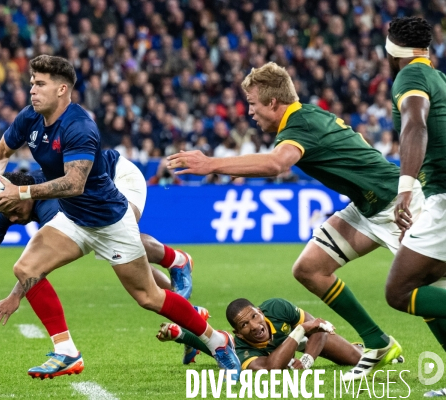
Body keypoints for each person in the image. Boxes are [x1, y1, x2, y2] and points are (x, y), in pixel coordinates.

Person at [0, 55, 241, 379]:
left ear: (62, 89)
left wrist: (18, 192)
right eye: (32, 82)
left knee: (149, 297)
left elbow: (73, 183)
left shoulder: (79, 126)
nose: (32, 89)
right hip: (73, 218)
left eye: (40, 83)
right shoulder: (30, 118)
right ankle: (66, 352)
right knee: (26, 268)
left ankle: (218, 341)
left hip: (108, 220)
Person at [167, 61, 425, 380]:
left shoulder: (299, 124)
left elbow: (277, 164)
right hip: (368, 205)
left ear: (273, 103)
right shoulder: (304, 118)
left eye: (252, 104)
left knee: (428, 289)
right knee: (310, 268)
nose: (250, 113)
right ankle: (378, 342)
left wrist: (211, 164)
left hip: (398, 203)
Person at [0, 153, 197, 369]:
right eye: (3, 212)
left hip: (118, 174)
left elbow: (41, 263)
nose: (10, 219)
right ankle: (189, 313)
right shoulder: (3, 204)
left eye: (11, 210)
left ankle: (177, 259)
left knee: (118, 233)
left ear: (22, 190)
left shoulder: (50, 204)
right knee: (119, 254)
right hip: (91, 202)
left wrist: (15, 296)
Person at [382, 17, 446, 398]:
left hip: (442, 194)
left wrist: (405, 188)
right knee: (426, 285)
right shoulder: (439, 78)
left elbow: (415, 124)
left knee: (399, 291)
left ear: (392, 49)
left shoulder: (410, 78)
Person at [156, 297, 401, 371]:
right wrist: (177, 332)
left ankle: (359, 347)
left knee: (357, 359)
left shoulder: (277, 308)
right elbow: (273, 366)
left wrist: (306, 361)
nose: (253, 325)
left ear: (261, 312)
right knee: (221, 350)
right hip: (276, 351)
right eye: (244, 325)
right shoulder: (240, 348)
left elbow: (317, 326)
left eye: (254, 316)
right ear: (238, 332)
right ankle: (182, 334)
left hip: (297, 345)